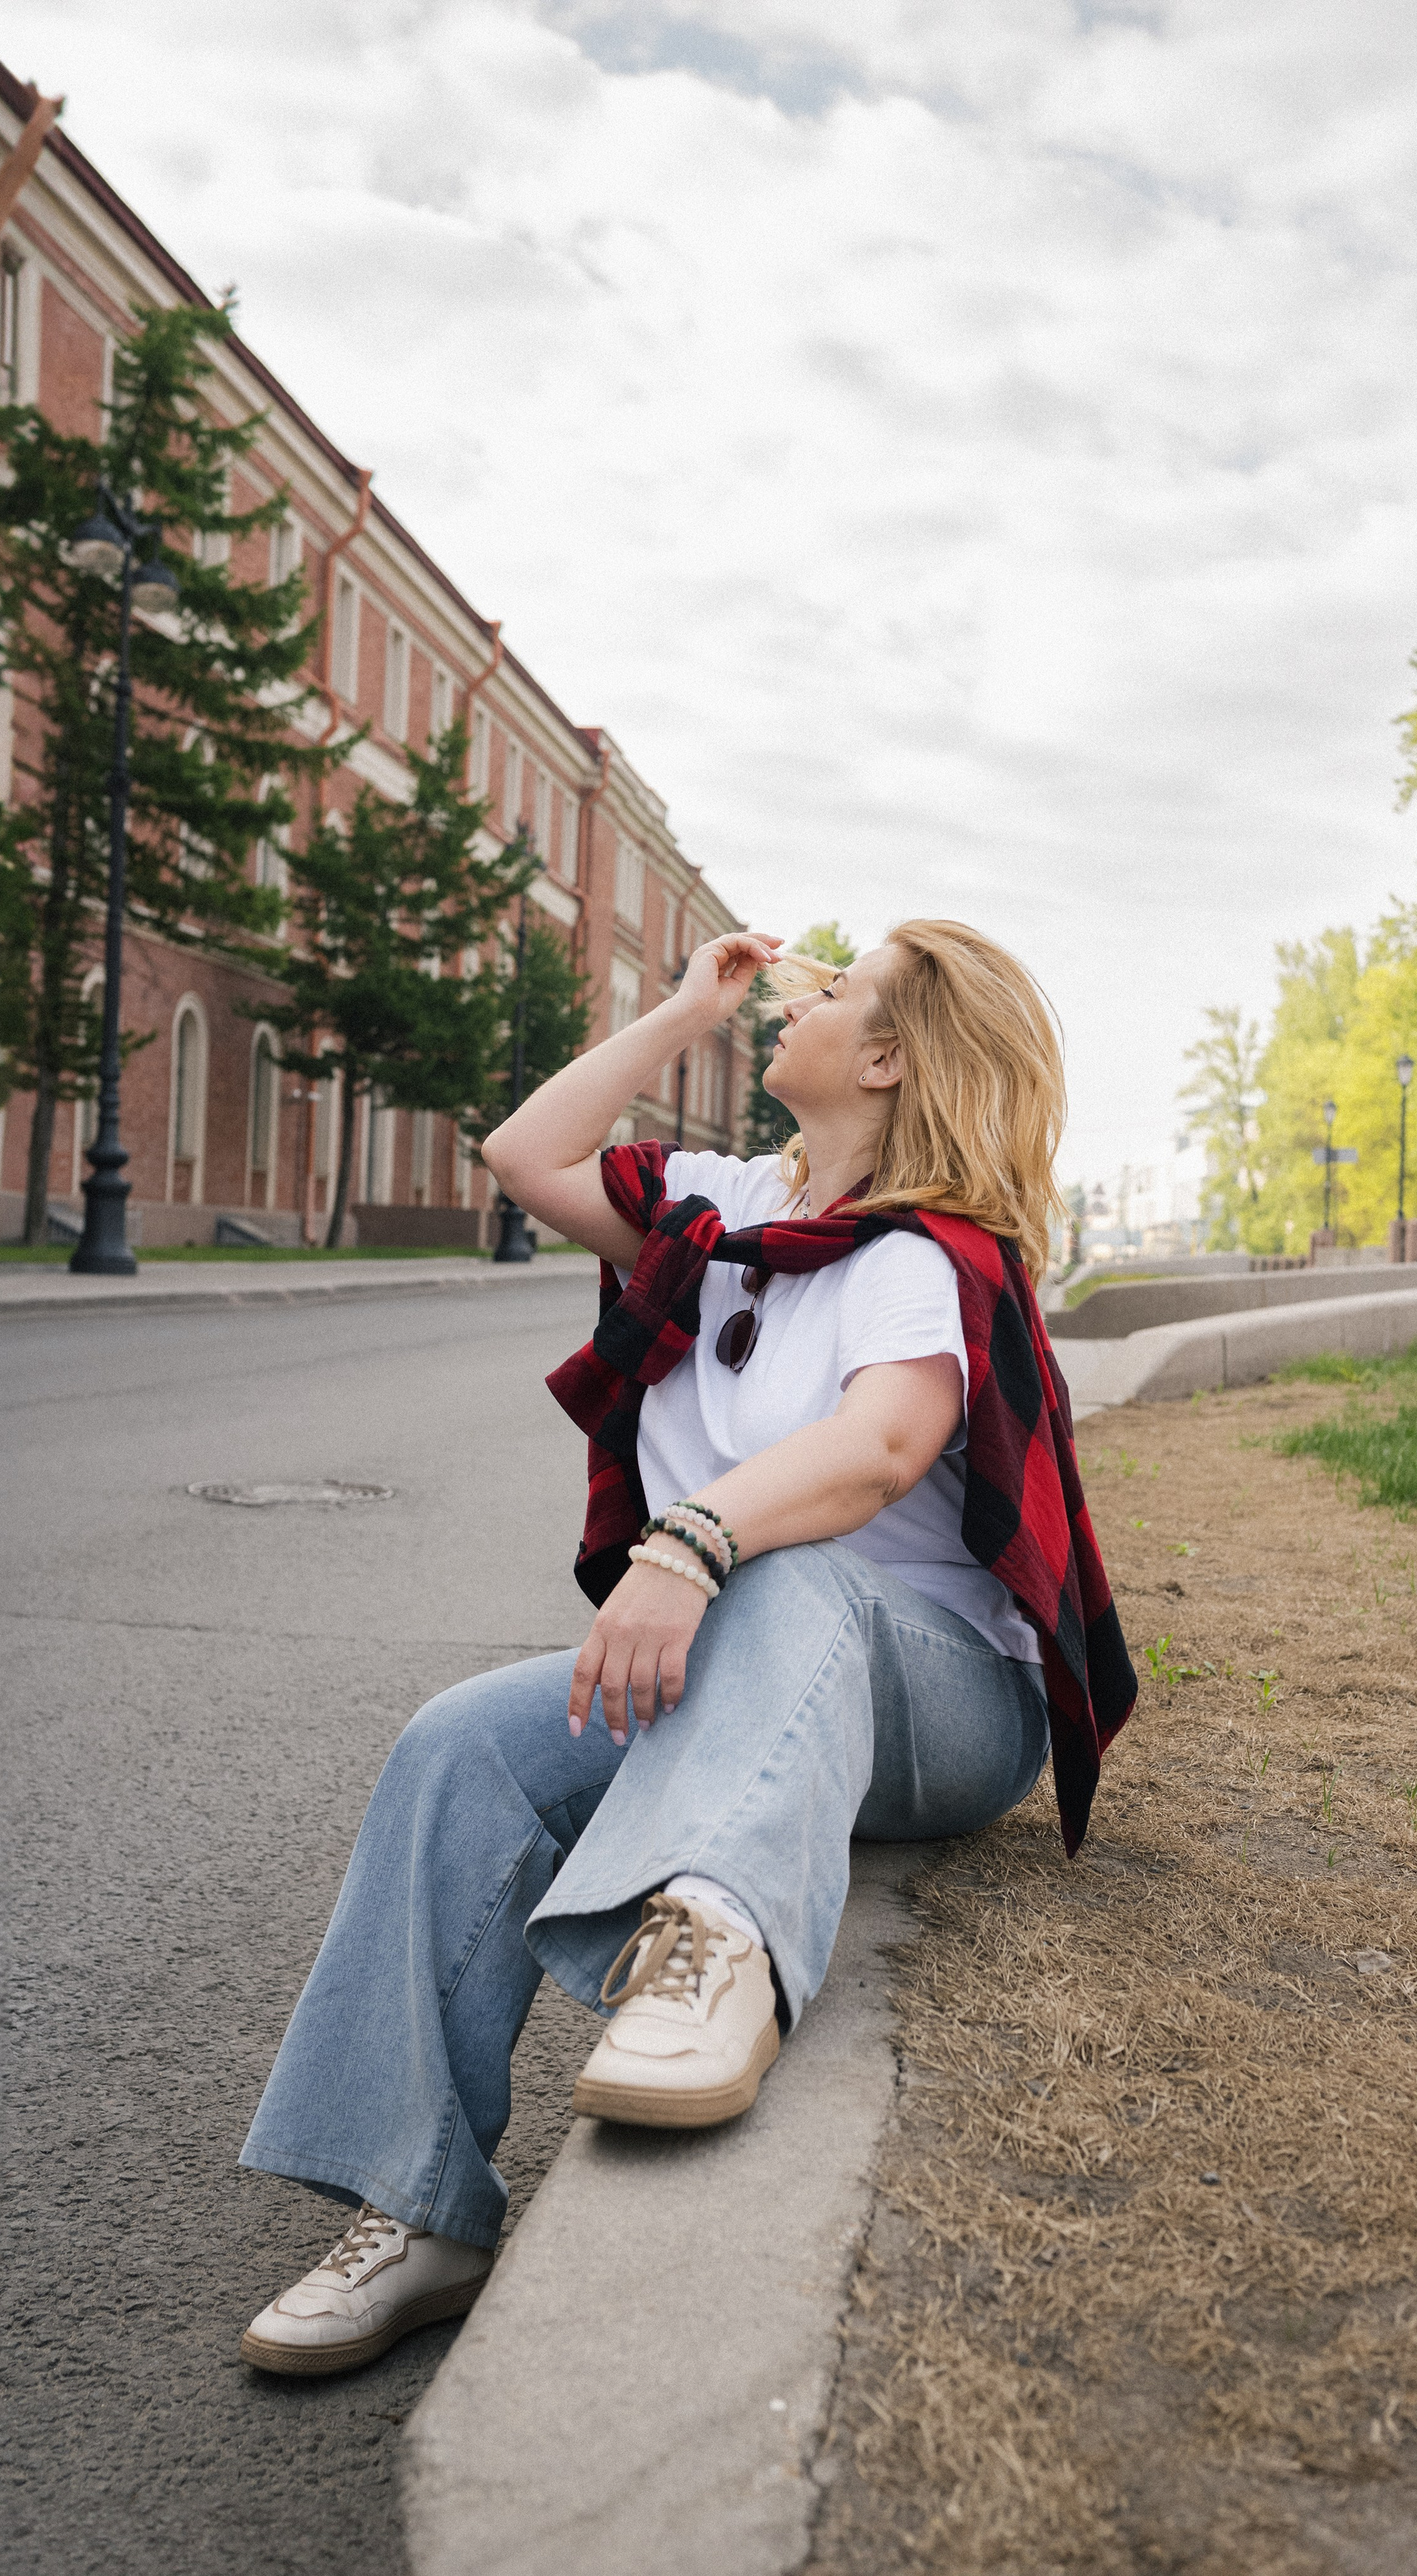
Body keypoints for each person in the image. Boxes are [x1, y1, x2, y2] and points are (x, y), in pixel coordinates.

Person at [237, 917, 1134, 2377]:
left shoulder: (924, 1250)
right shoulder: (723, 1208)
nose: (800, 995)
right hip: (751, 1670)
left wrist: (688, 1540)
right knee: (459, 1744)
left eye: (834, 994)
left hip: (942, 1705)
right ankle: (419, 2210)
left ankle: (717, 1947)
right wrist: (676, 1014)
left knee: (792, 1576)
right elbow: (525, 1158)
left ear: (892, 1058)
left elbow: (880, 1449)